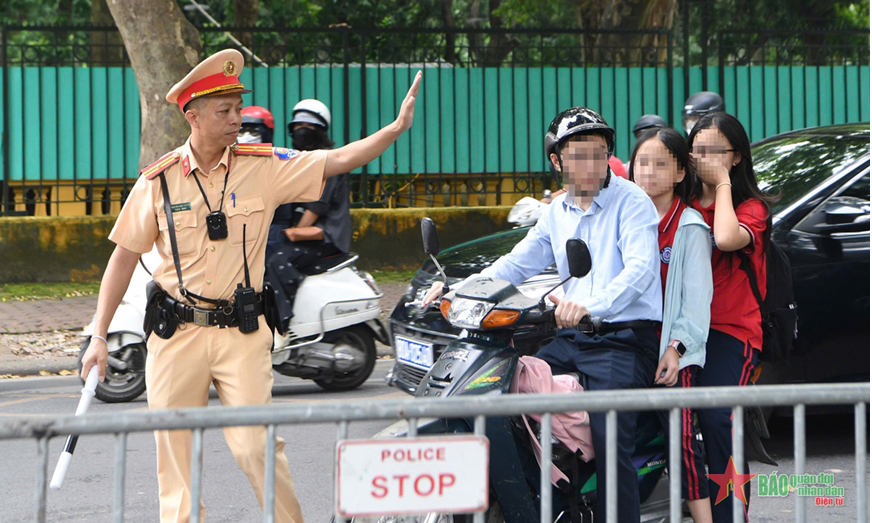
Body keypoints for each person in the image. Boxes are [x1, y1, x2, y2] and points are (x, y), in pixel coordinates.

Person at [79, 48, 422, 523]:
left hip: (241, 333)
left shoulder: (263, 165)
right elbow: (122, 258)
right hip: (175, 334)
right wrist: (98, 336)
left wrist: (394, 129)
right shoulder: (157, 182)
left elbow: (338, 159)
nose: (236, 119)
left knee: (255, 447)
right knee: (175, 458)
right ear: (192, 116)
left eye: (238, 109)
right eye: (225, 111)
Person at [425, 107, 662, 523]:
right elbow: (515, 265)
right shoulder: (556, 213)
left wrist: (591, 304)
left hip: (625, 339)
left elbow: (639, 271)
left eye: (599, 153)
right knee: (503, 393)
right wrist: (458, 288)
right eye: (579, 155)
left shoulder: (632, 202)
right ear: (557, 161)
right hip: (573, 337)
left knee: (610, 438)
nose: (591, 164)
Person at [687, 111, 772, 523]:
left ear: (736, 156)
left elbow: (725, 237)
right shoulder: (680, 203)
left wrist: (720, 184)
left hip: (730, 332)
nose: (701, 158)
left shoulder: (752, 209)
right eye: (696, 150)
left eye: (713, 151)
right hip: (682, 330)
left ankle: (732, 516)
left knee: (719, 418)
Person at [628, 127, 714, 523]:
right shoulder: (627, 218)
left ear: (680, 172)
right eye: (642, 162)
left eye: (660, 163)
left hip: (670, 351)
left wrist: (675, 350)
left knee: (682, 440)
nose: (648, 171)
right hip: (630, 345)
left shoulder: (690, 227)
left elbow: (696, 303)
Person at [266, 99, 352, 339]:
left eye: (309, 125)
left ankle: (283, 327)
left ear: (321, 130)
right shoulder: (301, 160)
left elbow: (315, 208)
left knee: (277, 262)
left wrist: (292, 234)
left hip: (326, 237)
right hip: (309, 233)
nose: (302, 129)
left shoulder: (326, 162)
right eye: (298, 125)